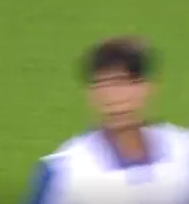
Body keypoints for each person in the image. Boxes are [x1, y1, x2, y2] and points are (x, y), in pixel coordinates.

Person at [23, 36, 189, 203]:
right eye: (101, 84)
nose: (112, 96)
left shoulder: (183, 152)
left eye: (122, 82)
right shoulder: (64, 172)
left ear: (146, 87)